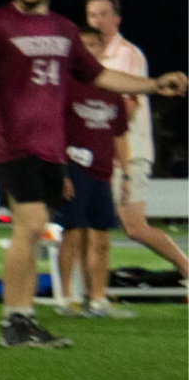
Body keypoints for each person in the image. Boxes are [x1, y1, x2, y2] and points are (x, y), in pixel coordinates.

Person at [0, 0, 185, 348]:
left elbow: (99, 76)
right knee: (28, 227)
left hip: (51, 150)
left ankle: (23, 317)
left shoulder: (63, 30)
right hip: (15, 143)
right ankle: (14, 321)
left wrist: (153, 85)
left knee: (34, 229)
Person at [82, 0, 188, 277]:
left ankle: (187, 269)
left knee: (134, 227)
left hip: (130, 150)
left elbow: (127, 106)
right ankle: (88, 292)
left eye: (104, 14)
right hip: (99, 153)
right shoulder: (88, 56)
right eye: (92, 15)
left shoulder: (127, 53)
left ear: (117, 18)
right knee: (87, 224)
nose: (98, 20)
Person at [54, 27, 129, 317]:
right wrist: (61, 172)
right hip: (75, 169)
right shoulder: (66, 86)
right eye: (82, 46)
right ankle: (65, 299)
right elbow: (55, 131)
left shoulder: (112, 89)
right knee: (71, 235)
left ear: (101, 49)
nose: (87, 51)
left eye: (92, 45)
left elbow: (119, 133)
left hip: (103, 172)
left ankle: (97, 299)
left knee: (101, 237)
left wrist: (126, 174)